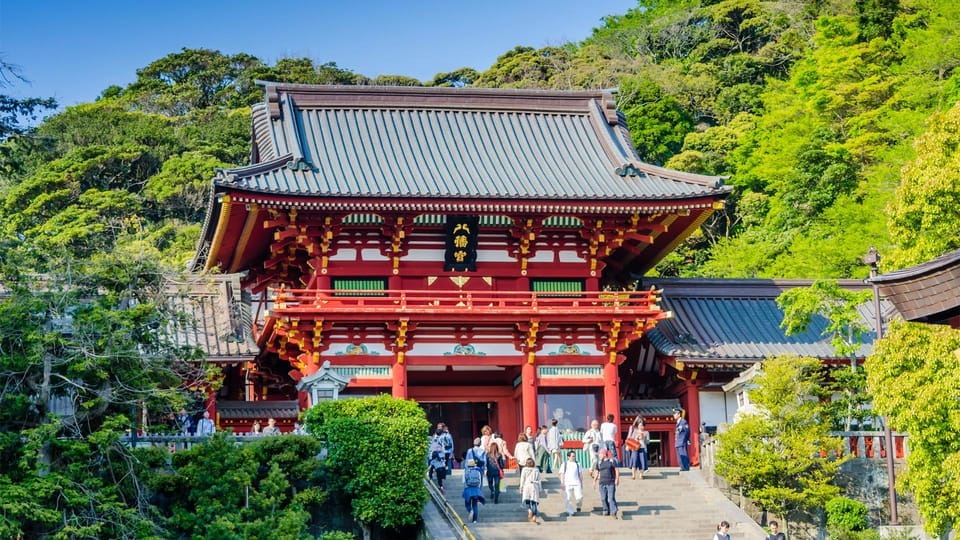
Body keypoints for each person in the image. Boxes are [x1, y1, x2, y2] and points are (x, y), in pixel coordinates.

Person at [592, 449, 620, 518]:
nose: (599, 455)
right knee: (603, 498)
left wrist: (617, 479)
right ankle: (606, 510)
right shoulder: (598, 463)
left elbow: (616, 470)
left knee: (611, 498)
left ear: (604, 454)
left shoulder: (611, 461)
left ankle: (613, 512)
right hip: (602, 483)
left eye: (600, 454)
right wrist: (594, 481)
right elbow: (596, 472)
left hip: (610, 482)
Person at [519, 457, 543, 524]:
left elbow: (522, 479)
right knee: (534, 502)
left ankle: (529, 510)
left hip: (527, 486)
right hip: (534, 486)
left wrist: (521, 487)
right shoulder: (536, 470)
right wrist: (540, 489)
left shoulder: (524, 469)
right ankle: (534, 516)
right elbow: (539, 480)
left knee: (527, 500)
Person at [559, 450, 583, 516]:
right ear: (568, 457)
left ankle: (578, 506)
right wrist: (562, 483)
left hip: (577, 483)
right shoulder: (564, 464)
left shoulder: (578, 464)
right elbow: (562, 474)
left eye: (574, 456)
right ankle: (570, 512)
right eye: (572, 456)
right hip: (567, 484)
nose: (574, 457)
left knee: (580, 497)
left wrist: (581, 483)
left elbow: (580, 474)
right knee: (568, 499)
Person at [462, 459, 486, 523]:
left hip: (468, 489)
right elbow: (480, 482)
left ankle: (470, 510)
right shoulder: (478, 472)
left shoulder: (465, 471)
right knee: (475, 504)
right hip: (476, 490)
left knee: (467, 504)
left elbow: (464, 481)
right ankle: (474, 520)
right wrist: (479, 489)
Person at [484, 438, 503, 503]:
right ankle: (496, 499)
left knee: (490, 483)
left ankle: (492, 491)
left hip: (490, 471)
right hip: (497, 472)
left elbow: (486, 463)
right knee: (497, 485)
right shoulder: (499, 455)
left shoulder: (488, 455)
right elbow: (502, 465)